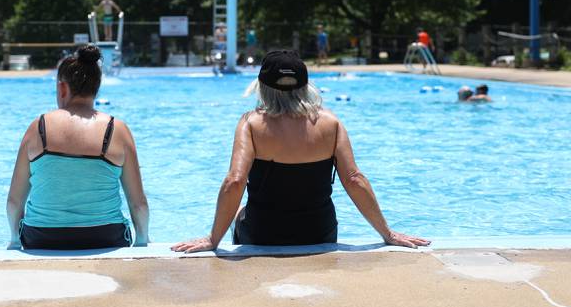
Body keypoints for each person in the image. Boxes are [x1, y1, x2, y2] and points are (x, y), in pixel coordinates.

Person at [172, 50, 429, 252]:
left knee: (240, 213)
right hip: (319, 232)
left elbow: (234, 181)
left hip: (263, 235)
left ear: (262, 85)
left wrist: (212, 240)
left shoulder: (251, 123)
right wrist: (388, 234)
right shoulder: (331, 123)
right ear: (305, 85)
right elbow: (354, 180)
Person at [7, 45, 149, 250]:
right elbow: (139, 204)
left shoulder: (38, 127)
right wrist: (143, 241)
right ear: (96, 87)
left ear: (62, 88)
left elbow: (13, 202)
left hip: (41, 238)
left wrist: (14, 239)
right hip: (106, 236)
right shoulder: (117, 129)